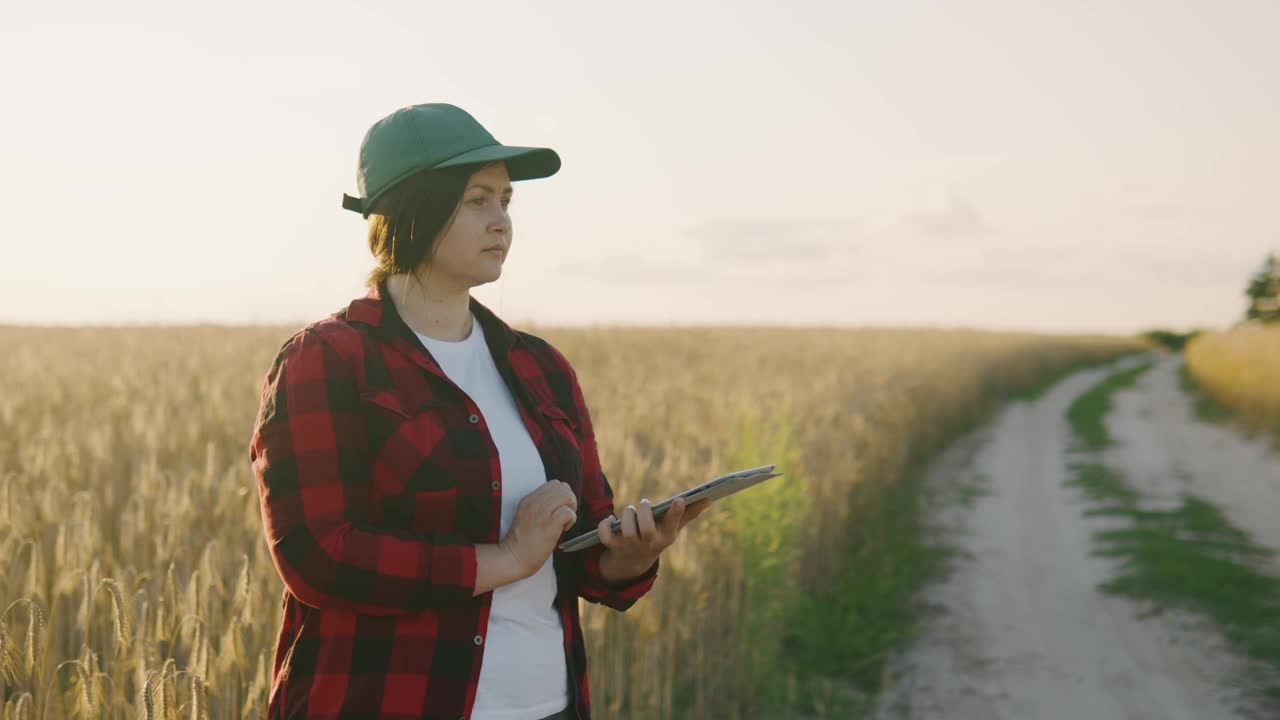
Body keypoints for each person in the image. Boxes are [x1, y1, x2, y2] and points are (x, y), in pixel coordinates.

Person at [247, 103, 711, 720]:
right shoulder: (328, 361)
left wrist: (628, 557)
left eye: (508, 202)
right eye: (477, 200)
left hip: (547, 705)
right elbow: (318, 555)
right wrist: (504, 560)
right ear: (413, 207)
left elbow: (581, 540)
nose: (502, 223)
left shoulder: (540, 368)